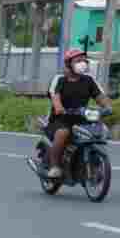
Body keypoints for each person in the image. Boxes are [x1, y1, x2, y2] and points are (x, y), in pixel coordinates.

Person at [43, 48, 106, 179]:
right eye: (78, 61)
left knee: (97, 131)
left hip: (82, 118)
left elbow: (100, 97)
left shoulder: (89, 80)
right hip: (60, 119)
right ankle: (55, 166)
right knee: (63, 133)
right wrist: (60, 108)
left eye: (84, 60)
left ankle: (87, 164)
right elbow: (55, 97)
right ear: (68, 64)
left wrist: (107, 107)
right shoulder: (59, 79)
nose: (82, 63)